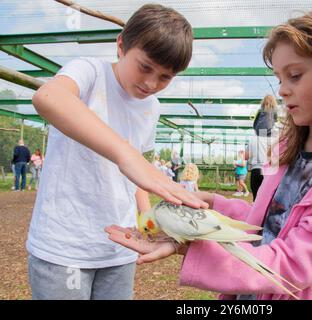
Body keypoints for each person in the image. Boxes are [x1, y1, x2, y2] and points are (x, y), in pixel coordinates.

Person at [106, 9, 312, 300]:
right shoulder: (284, 150)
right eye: (279, 78)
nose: (283, 90)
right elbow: (268, 220)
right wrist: (211, 203)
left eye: (295, 76)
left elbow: (294, 264)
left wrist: (188, 245)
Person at [26, 4, 207, 300]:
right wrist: (126, 155)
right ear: (121, 45)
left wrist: (146, 217)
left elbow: (136, 177)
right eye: (145, 66)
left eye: (165, 77)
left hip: (119, 247)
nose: (151, 83)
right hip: (64, 248)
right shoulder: (89, 72)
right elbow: (48, 97)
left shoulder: (152, 107)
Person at [246, 95, 279, 201]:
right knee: (269, 201)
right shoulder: (277, 138)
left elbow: (246, 156)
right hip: (270, 172)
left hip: (256, 170)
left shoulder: (253, 138)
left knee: (256, 200)